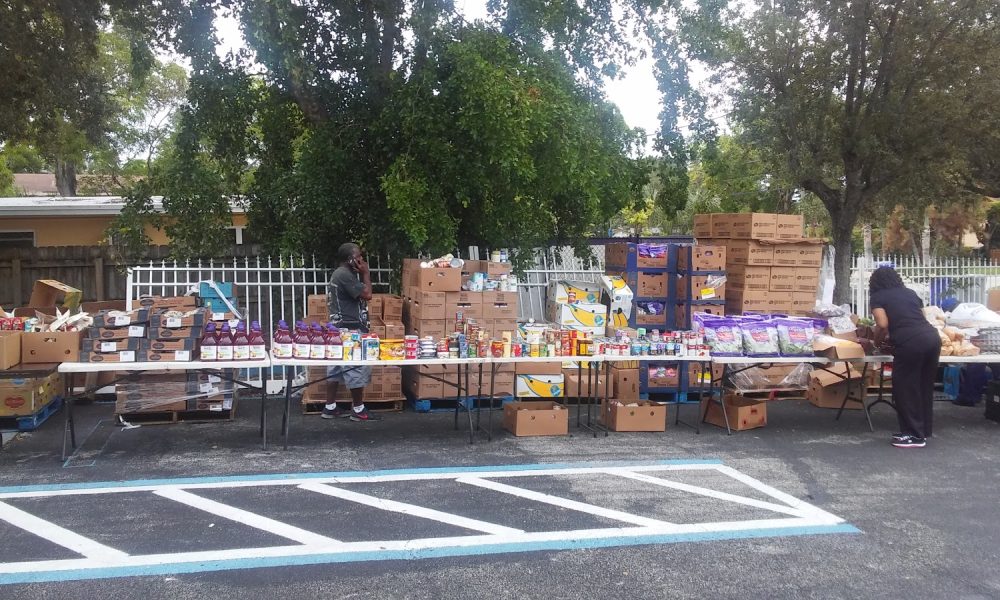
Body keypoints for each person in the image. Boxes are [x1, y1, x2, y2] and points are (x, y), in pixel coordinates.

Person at [869, 266, 940, 448]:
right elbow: (922, 316)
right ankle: (923, 430)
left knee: (905, 387)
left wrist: (876, 342)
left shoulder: (878, 297)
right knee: (923, 385)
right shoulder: (910, 293)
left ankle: (913, 435)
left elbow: (882, 324)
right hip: (932, 338)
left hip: (910, 343)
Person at [322, 243, 380, 422]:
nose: (361, 260)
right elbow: (368, 294)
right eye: (358, 257)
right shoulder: (344, 275)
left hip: (340, 327)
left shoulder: (341, 274)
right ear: (350, 259)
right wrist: (366, 272)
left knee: (337, 367)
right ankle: (358, 409)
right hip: (349, 329)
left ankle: (330, 407)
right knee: (356, 367)